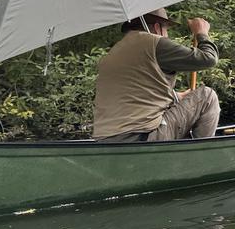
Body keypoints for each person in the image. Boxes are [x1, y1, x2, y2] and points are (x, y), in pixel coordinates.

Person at [93, 8, 221, 142]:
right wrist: (202, 33)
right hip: (142, 136)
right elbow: (208, 59)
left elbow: (134, 93)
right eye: (166, 30)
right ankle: (198, 156)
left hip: (105, 140)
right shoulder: (154, 43)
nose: (166, 35)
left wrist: (176, 96)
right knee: (207, 96)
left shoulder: (112, 53)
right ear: (157, 27)